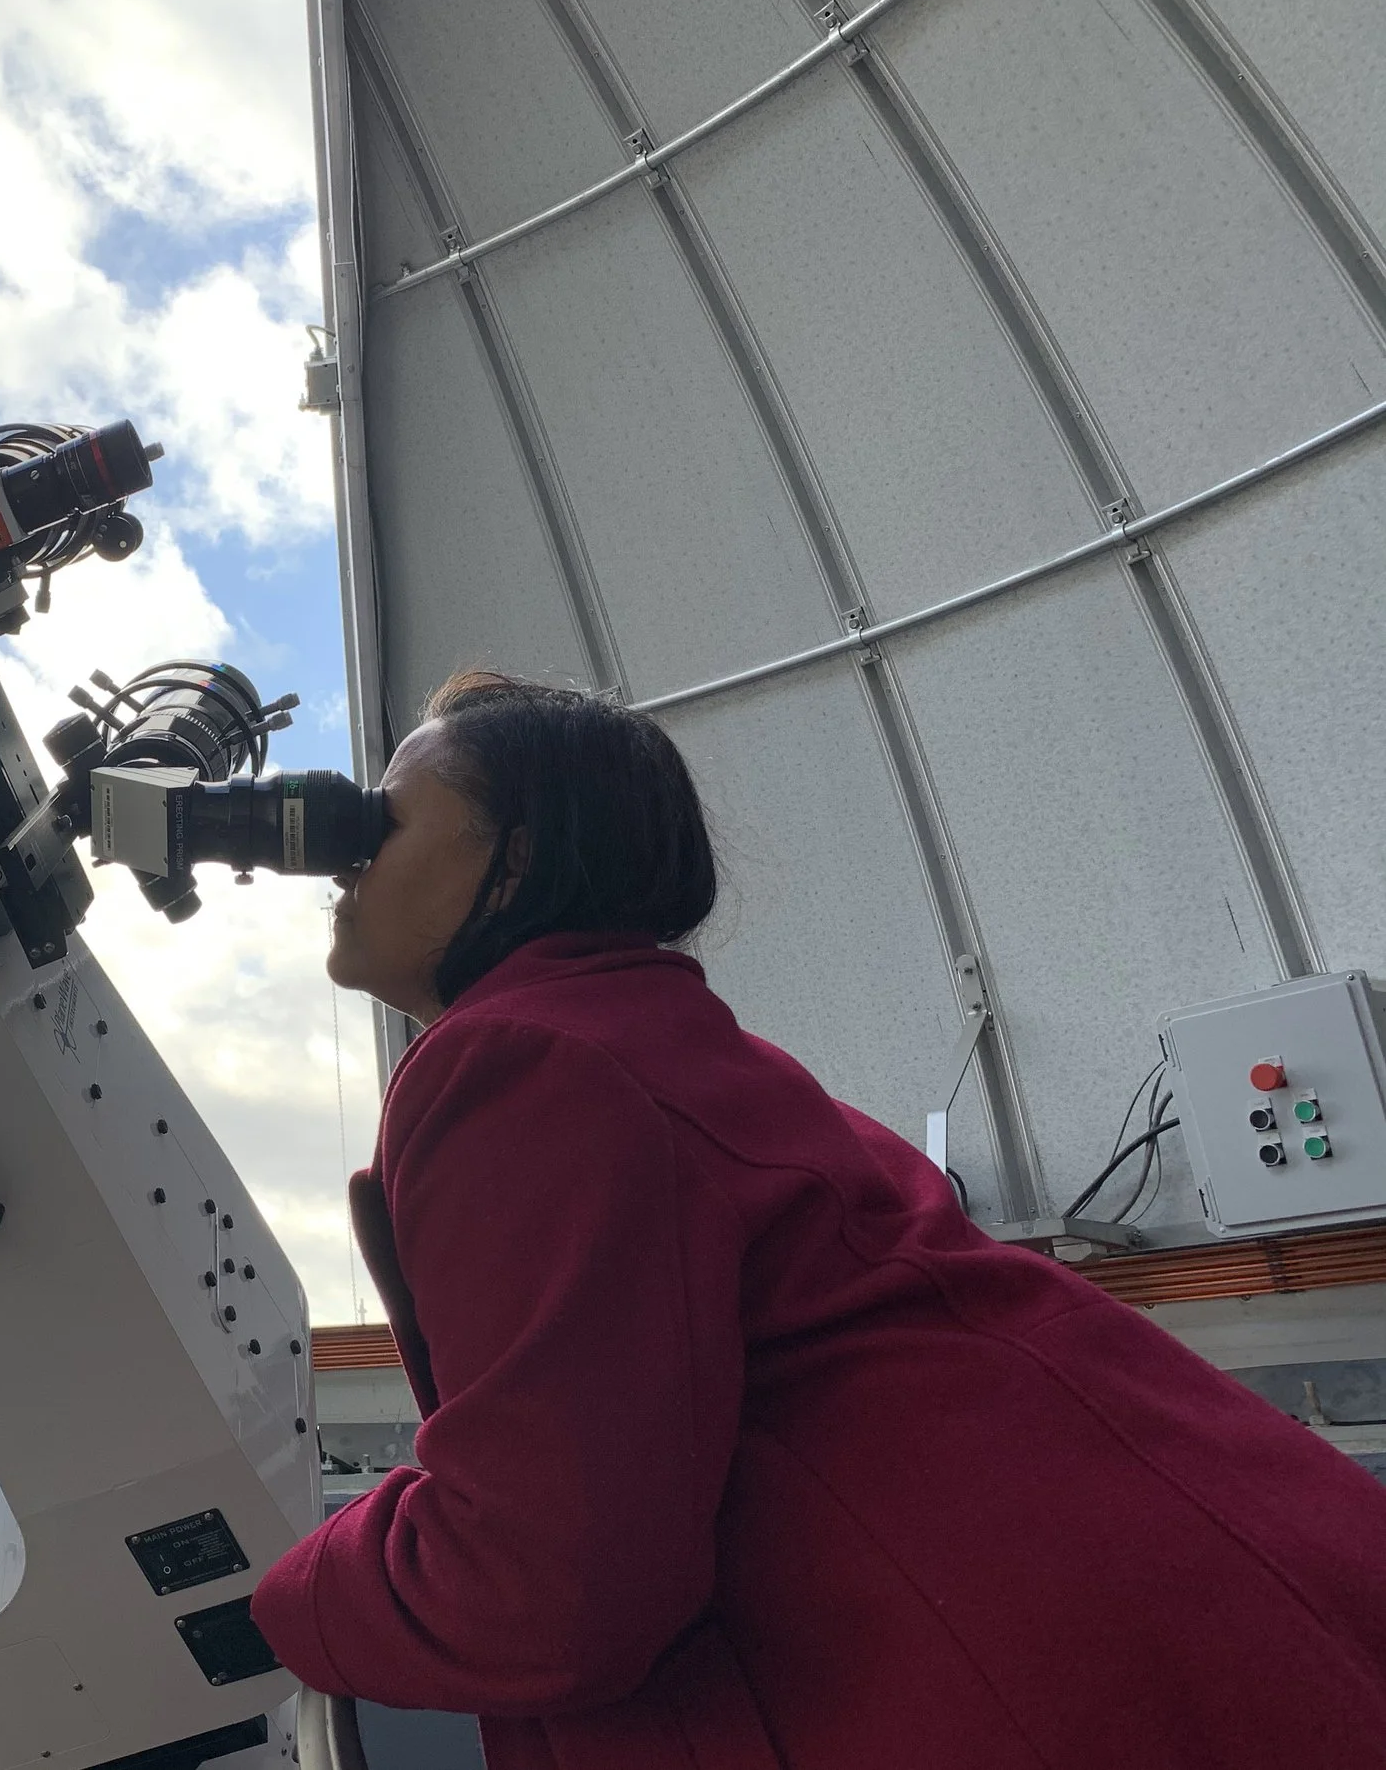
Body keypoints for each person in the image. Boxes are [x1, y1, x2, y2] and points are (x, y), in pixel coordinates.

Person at [249, 672, 1386, 1770]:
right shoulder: (666, 1049)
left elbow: (541, 1585)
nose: (341, 860)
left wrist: (277, 1599)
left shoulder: (525, 1062)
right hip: (1226, 1625)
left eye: (380, 823)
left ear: (517, 859)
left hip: (1070, 1686)